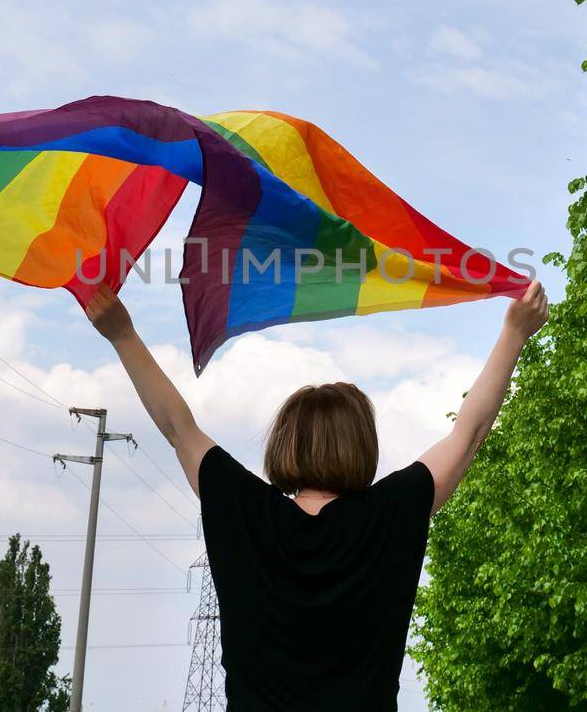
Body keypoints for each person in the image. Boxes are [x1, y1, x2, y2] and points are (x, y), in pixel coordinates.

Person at [84, 280, 549, 711]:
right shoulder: (392, 513)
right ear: (363, 445)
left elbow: (177, 428)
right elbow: (468, 434)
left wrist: (122, 334)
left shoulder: (241, 508)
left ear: (285, 442)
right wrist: (514, 333)